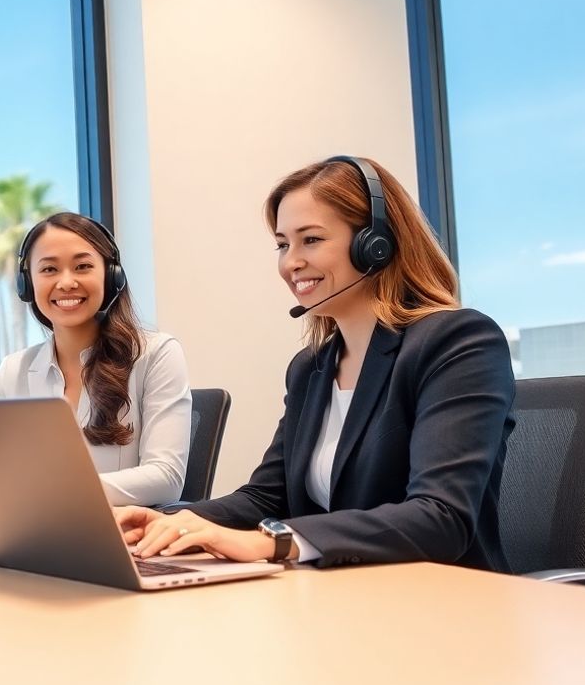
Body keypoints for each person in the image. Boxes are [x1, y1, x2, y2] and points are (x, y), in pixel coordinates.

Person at [117, 156, 514, 571]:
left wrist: (272, 543)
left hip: (443, 602)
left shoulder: (457, 342)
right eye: (283, 244)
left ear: (376, 245)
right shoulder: (311, 368)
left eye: (311, 240)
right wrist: (169, 523)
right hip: (339, 595)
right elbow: (267, 498)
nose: (290, 262)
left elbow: (440, 518)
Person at [0, 211, 192, 508]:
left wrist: (49, 492)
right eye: (49, 270)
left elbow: (167, 478)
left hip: (126, 541)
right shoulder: (15, 370)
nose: (67, 282)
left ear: (111, 276)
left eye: (83, 266)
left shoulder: (156, 354)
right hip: (33, 537)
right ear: (28, 284)